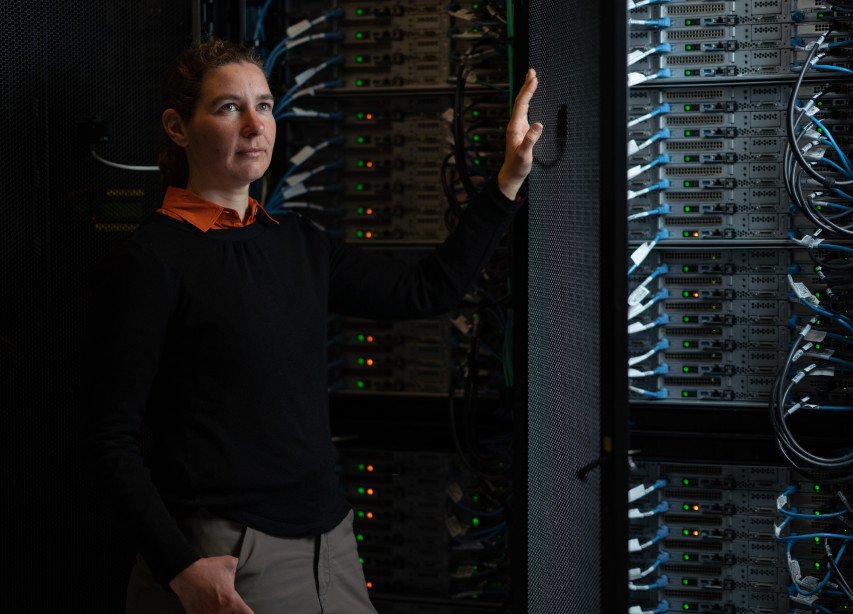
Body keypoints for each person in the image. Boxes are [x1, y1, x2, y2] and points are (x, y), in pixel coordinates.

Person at [80, 39, 541, 614]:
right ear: (178, 127)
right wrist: (180, 567)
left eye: (265, 106)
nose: (255, 125)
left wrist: (507, 181)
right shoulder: (150, 260)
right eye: (229, 108)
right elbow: (105, 437)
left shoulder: (298, 242)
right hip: (228, 556)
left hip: (332, 543)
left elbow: (429, 289)